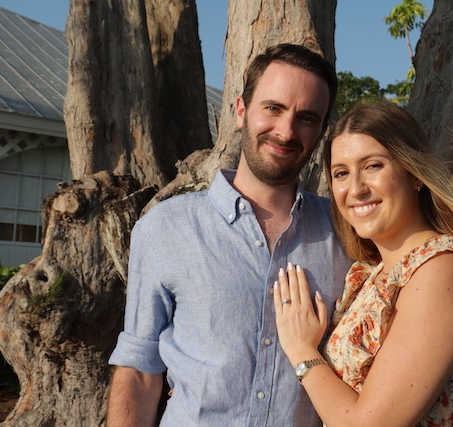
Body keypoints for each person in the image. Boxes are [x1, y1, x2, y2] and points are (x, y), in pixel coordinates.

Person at [106, 44, 351, 426]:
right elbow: (139, 370)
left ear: (321, 132)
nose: (286, 131)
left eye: (306, 118)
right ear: (240, 111)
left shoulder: (347, 234)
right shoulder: (165, 228)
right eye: (273, 108)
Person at [273, 101, 453, 426]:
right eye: (341, 173)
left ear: (414, 175)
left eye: (373, 166)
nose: (356, 189)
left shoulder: (442, 272)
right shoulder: (373, 274)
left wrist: (302, 352)